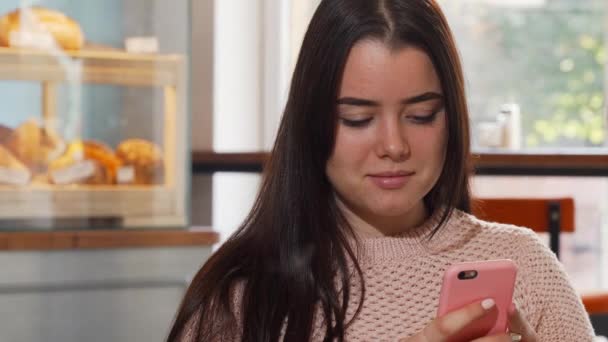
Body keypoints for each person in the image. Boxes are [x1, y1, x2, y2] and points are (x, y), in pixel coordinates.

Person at [168, 0, 595, 341]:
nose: (393, 146)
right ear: (311, 123)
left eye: (422, 115)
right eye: (357, 119)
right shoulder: (241, 295)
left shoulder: (526, 267)